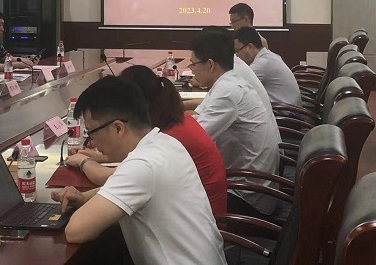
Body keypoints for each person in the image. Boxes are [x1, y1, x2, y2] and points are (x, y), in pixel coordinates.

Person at [52, 76, 226, 265]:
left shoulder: (142, 165)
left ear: (118, 128)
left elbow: (76, 231)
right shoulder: (165, 142)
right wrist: (84, 198)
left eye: (91, 133)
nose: (92, 143)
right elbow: (128, 185)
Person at [66, 65, 228, 219]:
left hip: (208, 216)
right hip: (199, 215)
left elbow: (112, 177)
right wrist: (100, 156)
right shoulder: (170, 125)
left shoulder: (168, 138)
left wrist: (84, 161)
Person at [188, 31, 281, 217]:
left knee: (174, 199)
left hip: (248, 195)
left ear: (210, 64)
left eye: (193, 64)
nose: (192, 70)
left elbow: (192, 142)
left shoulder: (227, 92)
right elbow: (196, 118)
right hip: (249, 182)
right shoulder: (228, 81)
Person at [234, 26, 302, 107]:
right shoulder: (268, 56)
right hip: (288, 107)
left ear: (250, 47)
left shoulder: (262, 64)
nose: (237, 55)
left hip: (285, 111)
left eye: (237, 51)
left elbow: (236, 86)